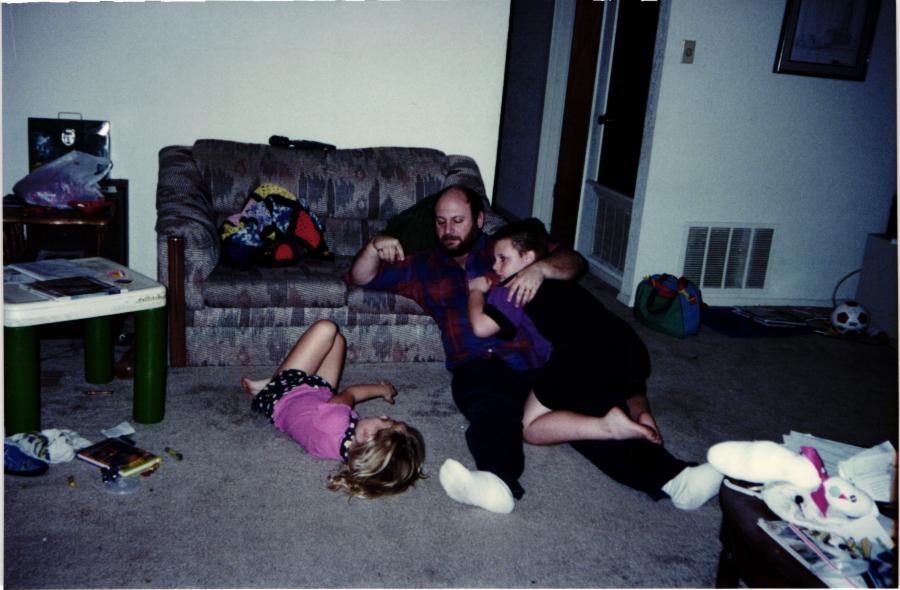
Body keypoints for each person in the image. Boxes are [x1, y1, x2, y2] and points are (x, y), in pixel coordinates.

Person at [348, 185, 587, 513]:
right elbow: (360, 277)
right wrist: (375, 245)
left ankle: (659, 474)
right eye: (441, 222)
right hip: (475, 364)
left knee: (585, 415)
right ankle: (498, 482)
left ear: (479, 219)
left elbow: (573, 261)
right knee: (490, 408)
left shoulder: (504, 249)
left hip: (533, 356)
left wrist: (540, 269)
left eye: (458, 221)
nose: (448, 230)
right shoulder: (424, 265)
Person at [465, 218, 722, 510]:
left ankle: (610, 429)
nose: (496, 267)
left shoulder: (514, 287)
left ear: (528, 259)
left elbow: (481, 327)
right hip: (627, 345)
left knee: (532, 427)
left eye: (503, 258)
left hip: (580, 354)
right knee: (606, 393)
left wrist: (476, 291)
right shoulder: (558, 276)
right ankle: (652, 433)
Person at [244, 319, 426, 499]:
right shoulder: (343, 448)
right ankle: (268, 387)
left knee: (327, 329)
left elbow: (351, 393)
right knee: (337, 341)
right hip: (318, 397)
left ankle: (269, 385)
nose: (384, 415)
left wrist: (382, 390)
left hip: (284, 393)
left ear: (367, 436)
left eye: (385, 421)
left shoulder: (335, 421)